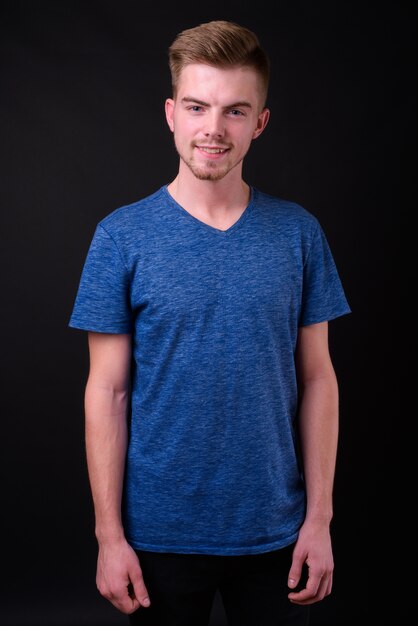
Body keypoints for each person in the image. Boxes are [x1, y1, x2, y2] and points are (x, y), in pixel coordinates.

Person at [69, 19, 351, 626]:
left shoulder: (298, 234)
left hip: (277, 534)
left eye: (234, 111)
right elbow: (107, 391)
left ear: (260, 123)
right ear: (171, 113)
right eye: (197, 107)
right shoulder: (121, 237)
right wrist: (108, 537)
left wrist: (320, 520)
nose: (213, 130)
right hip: (157, 538)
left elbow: (320, 379)